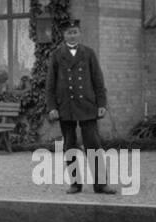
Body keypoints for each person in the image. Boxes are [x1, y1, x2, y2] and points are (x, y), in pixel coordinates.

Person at [46, 19, 118, 194]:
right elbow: (50, 85)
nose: (72, 35)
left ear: (80, 33)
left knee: (93, 144)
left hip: (87, 105)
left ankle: (101, 184)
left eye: (75, 31)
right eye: (69, 32)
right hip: (66, 106)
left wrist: (101, 103)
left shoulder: (89, 53)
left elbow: (98, 80)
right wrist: (52, 107)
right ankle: (75, 183)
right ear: (64, 35)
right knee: (69, 145)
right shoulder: (56, 55)